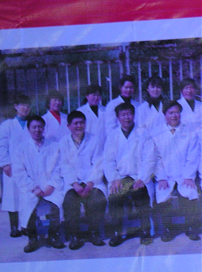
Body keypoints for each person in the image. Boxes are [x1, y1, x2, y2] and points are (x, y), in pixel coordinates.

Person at [102, 102, 156, 247]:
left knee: (142, 195)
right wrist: (114, 179)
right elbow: (108, 160)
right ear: (118, 117)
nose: (127, 117)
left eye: (129, 114)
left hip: (138, 177)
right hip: (120, 178)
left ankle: (145, 231)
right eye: (123, 114)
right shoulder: (113, 136)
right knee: (115, 198)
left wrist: (142, 179)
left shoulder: (143, 133)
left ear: (133, 115)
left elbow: (150, 158)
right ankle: (117, 233)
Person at [12, 115, 65, 252]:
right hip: (30, 189)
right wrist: (33, 188)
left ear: (44, 128)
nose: (37, 130)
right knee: (27, 205)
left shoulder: (54, 146)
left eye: (40, 127)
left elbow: (58, 168)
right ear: (28, 129)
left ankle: (53, 236)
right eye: (34, 127)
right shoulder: (21, 148)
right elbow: (19, 172)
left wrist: (51, 185)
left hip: (50, 187)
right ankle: (33, 239)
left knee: (57, 203)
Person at [151, 101, 201, 242]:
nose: (174, 115)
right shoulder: (156, 133)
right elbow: (156, 158)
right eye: (171, 113)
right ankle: (168, 229)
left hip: (184, 174)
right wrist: (161, 177)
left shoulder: (189, 132)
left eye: (177, 112)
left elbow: (193, 156)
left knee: (189, 193)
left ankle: (190, 227)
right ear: (165, 115)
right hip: (165, 176)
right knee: (162, 195)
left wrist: (188, 176)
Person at [58, 111, 107, 249]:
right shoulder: (63, 142)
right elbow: (64, 165)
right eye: (76, 123)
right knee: (69, 201)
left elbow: (99, 163)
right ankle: (75, 236)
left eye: (82, 123)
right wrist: (75, 184)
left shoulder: (94, 139)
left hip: (92, 182)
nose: (79, 126)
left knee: (98, 199)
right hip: (73, 184)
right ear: (68, 126)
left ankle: (94, 233)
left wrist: (90, 183)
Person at [0, 94, 33, 238]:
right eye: (22, 104)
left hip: (29, 167)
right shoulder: (7, 125)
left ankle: (26, 226)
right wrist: (5, 163)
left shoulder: (32, 124)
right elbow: (1, 145)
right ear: (16, 106)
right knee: (13, 197)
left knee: (28, 196)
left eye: (27, 105)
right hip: (12, 167)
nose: (25, 108)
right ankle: (13, 227)